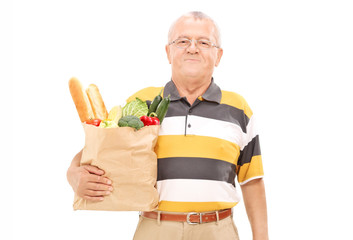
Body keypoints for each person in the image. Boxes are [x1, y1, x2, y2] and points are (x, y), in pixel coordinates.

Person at [67, 11, 268, 240]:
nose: (192, 48)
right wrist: (73, 173)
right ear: (168, 52)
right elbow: (101, 148)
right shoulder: (141, 104)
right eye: (182, 41)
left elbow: (252, 181)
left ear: (218, 55)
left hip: (218, 230)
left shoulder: (239, 109)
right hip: (155, 229)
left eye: (203, 42)